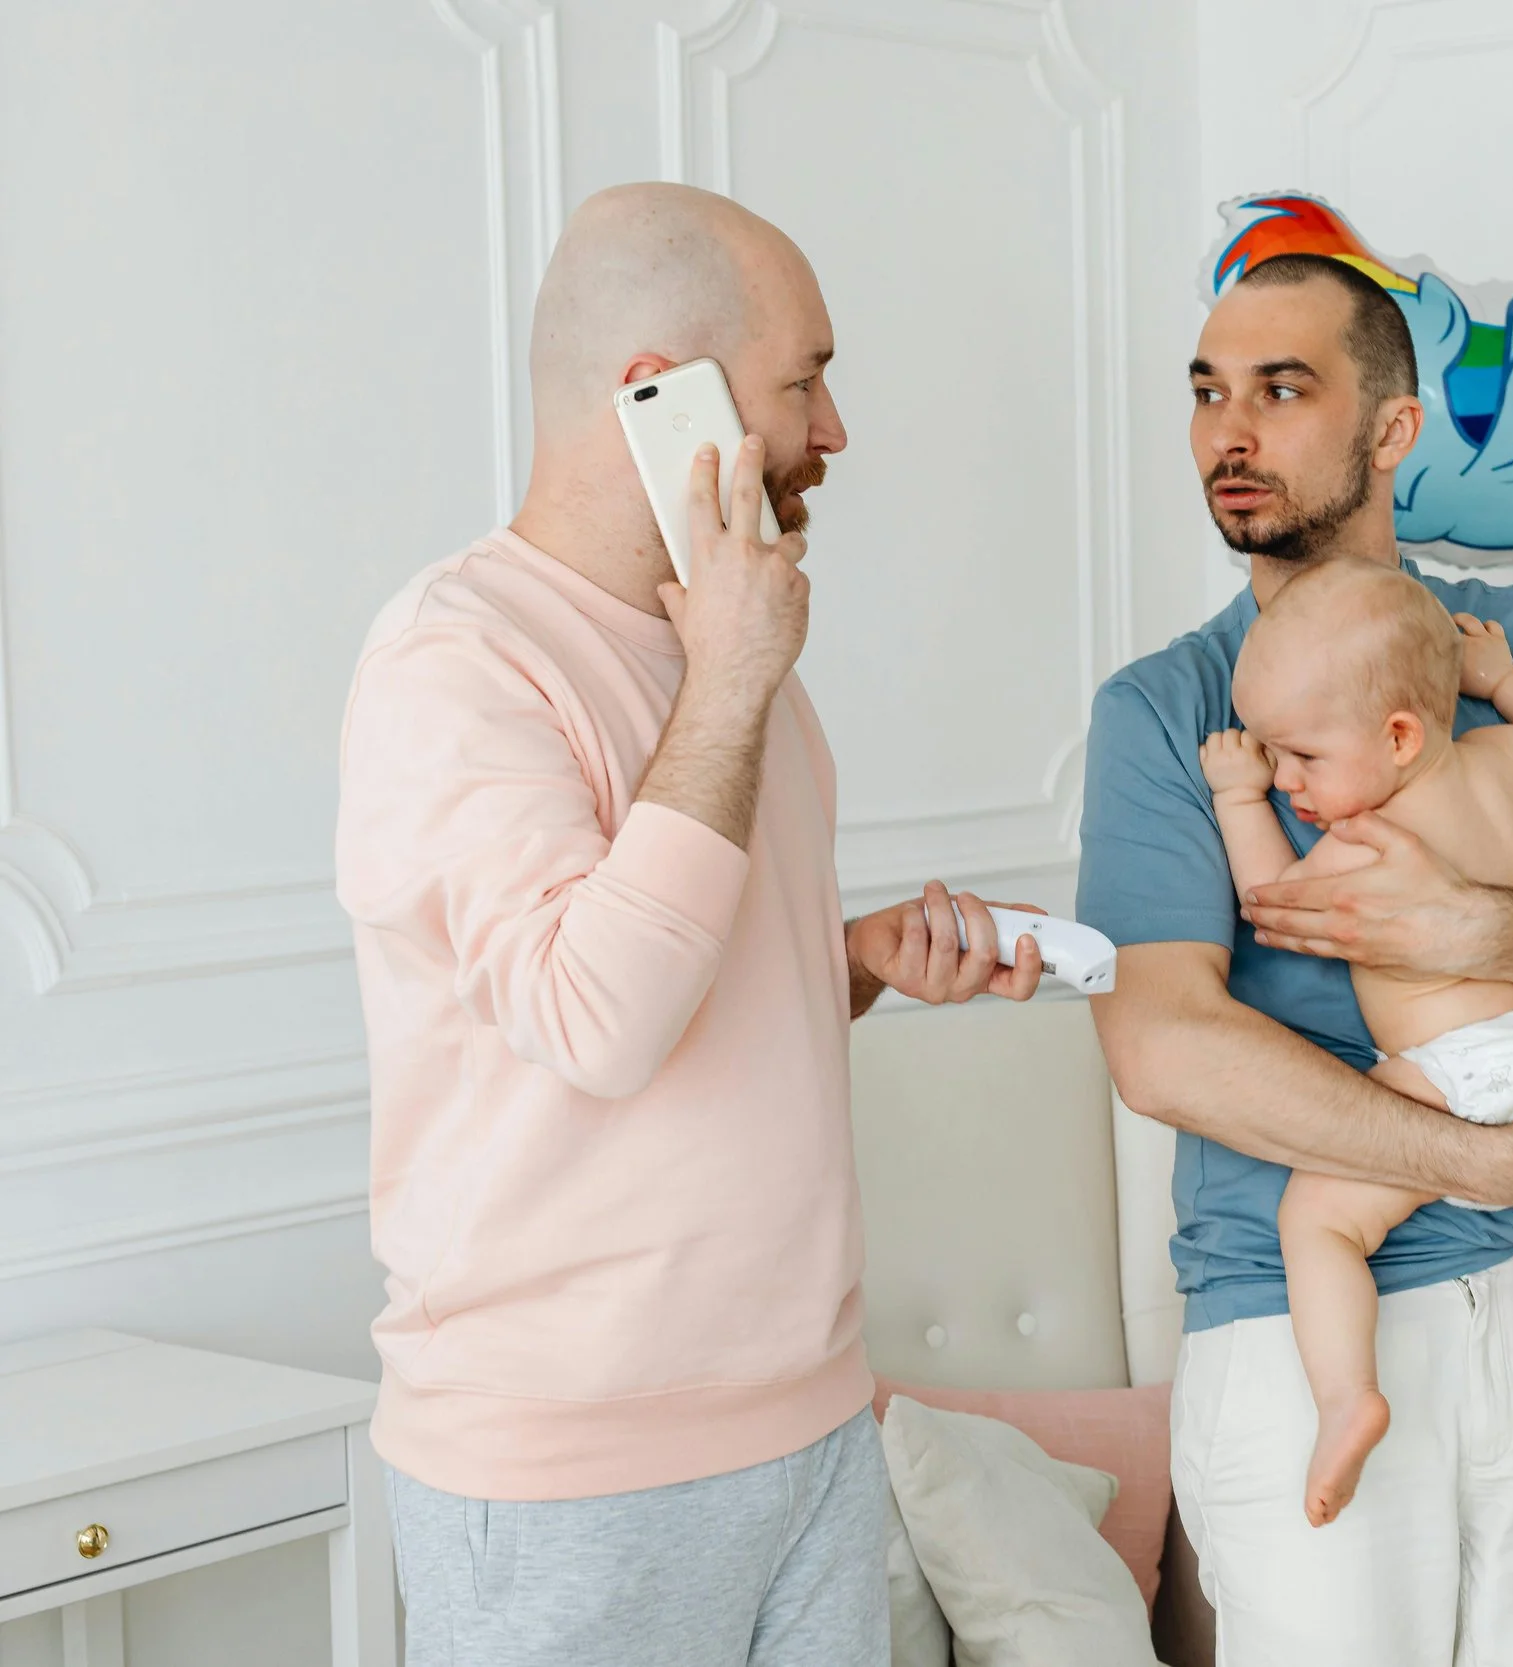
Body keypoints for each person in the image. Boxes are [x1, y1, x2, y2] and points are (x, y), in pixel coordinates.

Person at [335, 182, 1040, 1667]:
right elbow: (594, 1017)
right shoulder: (454, 661)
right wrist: (726, 680)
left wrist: (843, 963)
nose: (834, 431)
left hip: (810, 1426)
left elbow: (684, 978)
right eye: (806, 379)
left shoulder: (734, 655)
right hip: (567, 1475)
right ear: (661, 394)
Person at [1080, 250, 1513, 1665]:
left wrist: (1476, 925)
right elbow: (1160, 1044)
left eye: (1281, 387)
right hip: (1305, 1332)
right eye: (1205, 393)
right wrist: (1495, 1159)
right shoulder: (1170, 709)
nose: (1228, 431)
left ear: (1392, 429)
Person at [1200, 560, 1513, 1541]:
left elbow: (1274, 910)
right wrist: (1502, 682)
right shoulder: (1506, 757)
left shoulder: (1368, 838)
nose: (1287, 778)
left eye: (1299, 757)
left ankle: (1346, 1397)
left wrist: (1241, 800)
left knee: (1319, 1218)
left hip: (1460, 1066)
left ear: (1398, 736)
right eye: (1273, 762)